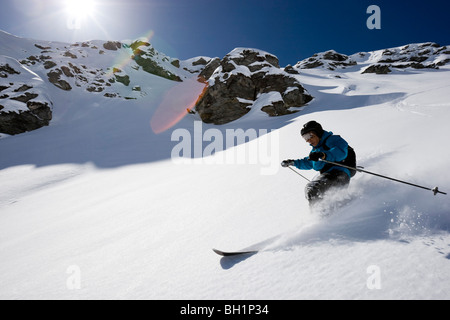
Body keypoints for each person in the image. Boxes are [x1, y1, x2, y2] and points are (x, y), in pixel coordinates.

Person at [281, 121, 353, 207]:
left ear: (317, 132)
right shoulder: (315, 151)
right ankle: (326, 213)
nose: (308, 140)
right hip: (329, 176)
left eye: (308, 136)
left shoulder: (333, 140)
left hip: (340, 173)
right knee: (311, 190)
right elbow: (308, 162)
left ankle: (321, 216)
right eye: (305, 138)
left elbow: (340, 152)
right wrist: (293, 162)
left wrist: (324, 155)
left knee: (313, 189)